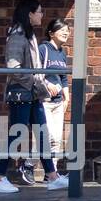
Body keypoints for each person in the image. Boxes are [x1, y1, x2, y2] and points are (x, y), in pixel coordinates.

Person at [0, 0, 66, 194]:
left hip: (32, 94)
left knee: (42, 134)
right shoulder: (17, 36)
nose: (42, 15)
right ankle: (0, 179)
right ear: (29, 14)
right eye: (39, 12)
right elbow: (15, 68)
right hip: (21, 93)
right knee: (15, 135)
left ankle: (52, 176)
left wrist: (41, 84)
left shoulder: (28, 34)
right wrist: (39, 82)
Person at [37, 19, 70, 174]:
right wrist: (47, 83)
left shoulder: (62, 52)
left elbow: (63, 77)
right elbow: (35, 72)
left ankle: (52, 174)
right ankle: (28, 164)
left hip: (58, 103)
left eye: (67, 30)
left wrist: (67, 97)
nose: (66, 33)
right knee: (47, 136)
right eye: (62, 30)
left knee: (56, 139)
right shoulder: (43, 49)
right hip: (44, 100)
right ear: (51, 33)